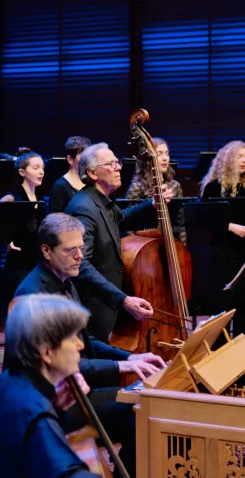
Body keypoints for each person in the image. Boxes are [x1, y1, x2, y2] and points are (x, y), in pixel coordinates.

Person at [14, 214, 167, 476]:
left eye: (81, 248)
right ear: (46, 251)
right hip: (51, 405)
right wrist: (119, 366)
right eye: (70, 250)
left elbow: (86, 342)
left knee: (141, 417)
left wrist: (129, 358)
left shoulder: (65, 283)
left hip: (73, 392)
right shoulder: (35, 296)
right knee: (144, 406)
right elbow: (64, 367)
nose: (79, 256)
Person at [0, 294, 96, 478]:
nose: (81, 345)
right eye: (72, 337)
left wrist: (56, 409)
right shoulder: (33, 410)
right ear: (46, 352)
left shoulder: (2, 385)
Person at [65, 142, 165, 341]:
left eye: (117, 162)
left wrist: (152, 204)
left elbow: (120, 218)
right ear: (93, 173)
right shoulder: (83, 209)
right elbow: (80, 265)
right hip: (95, 307)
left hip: (109, 302)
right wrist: (123, 300)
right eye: (111, 164)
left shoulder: (101, 200)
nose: (118, 167)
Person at [200, 140, 245, 341]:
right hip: (223, 253)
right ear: (227, 159)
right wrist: (230, 226)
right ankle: (218, 355)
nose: (244, 161)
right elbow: (204, 218)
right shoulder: (214, 187)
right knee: (222, 307)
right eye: (239, 156)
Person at [0, 148, 46, 307]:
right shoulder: (12, 197)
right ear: (22, 172)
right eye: (35, 168)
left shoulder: (40, 199)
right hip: (18, 264)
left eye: (42, 167)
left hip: (36, 261)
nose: (41, 171)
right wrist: (5, 238)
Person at [124, 137, 186, 245]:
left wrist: (183, 247)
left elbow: (180, 223)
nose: (165, 158)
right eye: (159, 154)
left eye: (167, 153)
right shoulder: (137, 187)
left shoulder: (174, 186)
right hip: (144, 244)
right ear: (148, 158)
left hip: (170, 243)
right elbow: (127, 224)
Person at [48, 136, 91, 214]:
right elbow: (55, 220)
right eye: (83, 157)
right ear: (70, 159)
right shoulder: (59, 187)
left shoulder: (91, 182)